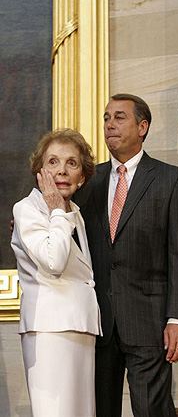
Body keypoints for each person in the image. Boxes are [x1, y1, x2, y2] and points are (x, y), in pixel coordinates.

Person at [75, 93, 178, 416]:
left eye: (119, 117)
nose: (109, 124)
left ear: (142, 127)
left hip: (150, 324)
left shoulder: (172, 180)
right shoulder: (88, 183)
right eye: (105, 118)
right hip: (99, 325)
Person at [11, 129, 102, 417]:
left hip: (80, 327)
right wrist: (57, 213)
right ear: (40, 171)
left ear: (82, 177)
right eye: (53, 162)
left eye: (71, 163)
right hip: (50, 329)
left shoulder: (73, 212)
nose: (61, 170)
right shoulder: (28, 209)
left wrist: (62, 212)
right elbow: (54, 261)